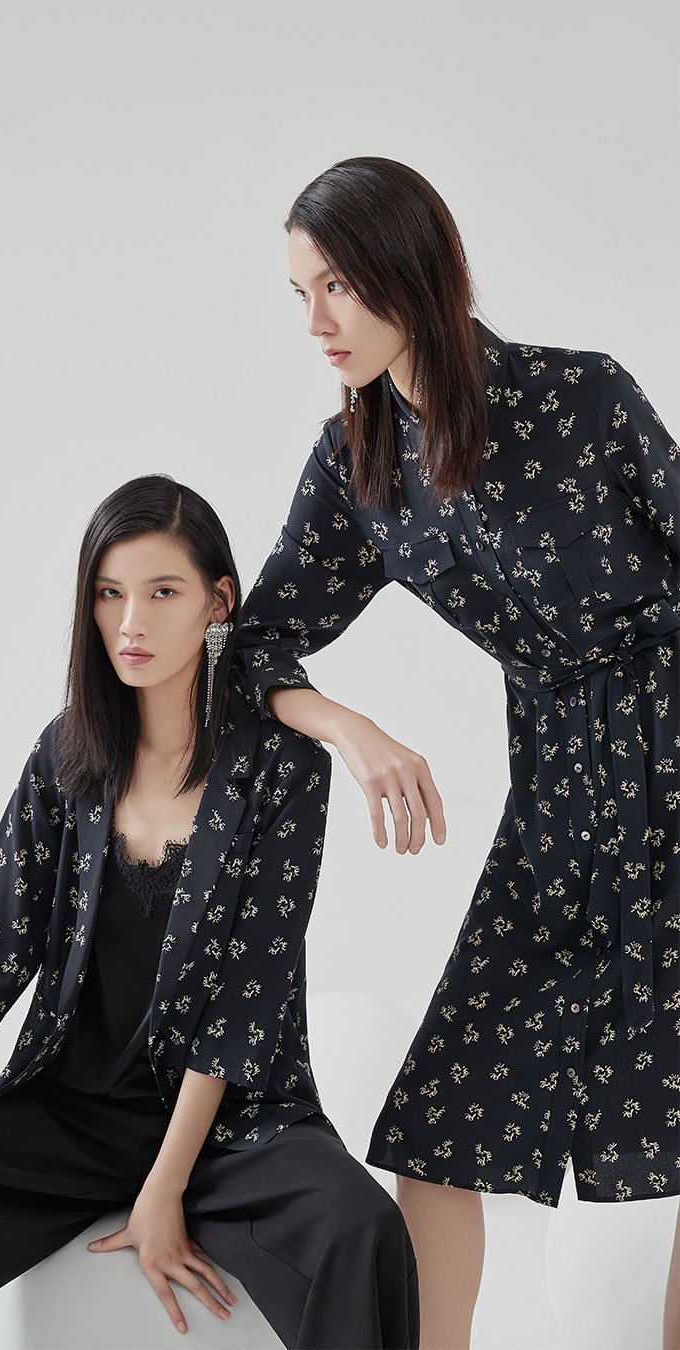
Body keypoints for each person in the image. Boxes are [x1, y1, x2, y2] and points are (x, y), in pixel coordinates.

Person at [0, 475, 419, 1350]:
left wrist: (165, 1188)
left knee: (362, 1230)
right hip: (70, 1113)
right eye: (110, 594)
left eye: (163, 593)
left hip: (234, 1128)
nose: (131, 624)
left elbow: (245, 1001)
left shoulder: (284, 766)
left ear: (218, 603)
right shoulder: (67, 752)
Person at [234, 156, 679, 1350]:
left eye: (337, 286)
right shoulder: (359, 465)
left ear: (409, 271)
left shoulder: (584, 396)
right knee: (443, 1124)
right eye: (301, 293)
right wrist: (351, 727)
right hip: (559, 800)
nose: (317, 323)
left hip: (675, 749)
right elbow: (248, 642)